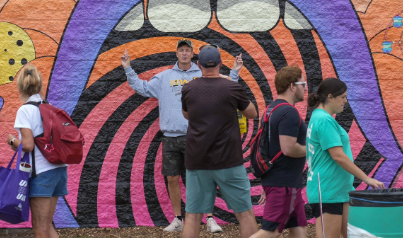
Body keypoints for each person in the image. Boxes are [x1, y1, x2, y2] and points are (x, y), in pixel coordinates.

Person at [121, 38, 242, 233]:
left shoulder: (202, 74)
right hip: (170, 136)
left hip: (198, 136)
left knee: (203, 178)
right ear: (176, 54)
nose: (184, 53)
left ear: (193, 54)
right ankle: (178, 219)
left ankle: (209, 218)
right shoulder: (164, 77)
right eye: (181, 50)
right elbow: (143, 88)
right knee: (172, 178)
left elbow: (225, 85)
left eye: (188, 50)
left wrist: (235, 71)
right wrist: (128, 67)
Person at [180, 45, 258, 238]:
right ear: (221, 64)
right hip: (229, 161)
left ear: (198, 65)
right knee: (246, 214)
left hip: (197, 161)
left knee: (192, 216)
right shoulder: (232, 87)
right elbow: (252, 113)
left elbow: (187, 115)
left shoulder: (188, 88)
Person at [306, 78, 385, 238]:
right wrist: (366, 179)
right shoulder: (324, 120)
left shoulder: (320, 117)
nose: (345, 101)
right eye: (342, 97)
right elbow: (338, 156)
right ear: (330, 97)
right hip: (328, 191)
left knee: (352, 235)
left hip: (340, 191)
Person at [7, 64, 67, 238]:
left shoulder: (25, 110)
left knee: (40, 228)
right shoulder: (50, 107)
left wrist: (11, 140)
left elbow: (27, 145)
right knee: (48, 226)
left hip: (41, 173)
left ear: (20, 87)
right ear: (40, 86)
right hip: (59, 169)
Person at [251, 66, 308, 238]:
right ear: (292, 86)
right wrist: (313, 151)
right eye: (303, 84)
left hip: (284, 182)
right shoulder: (289, 112)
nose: (306, 88)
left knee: (299, 229)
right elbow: (288, 148)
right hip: (284, 185)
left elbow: (268, 146)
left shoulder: (272, 109)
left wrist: (269, 182)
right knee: (270, 232)